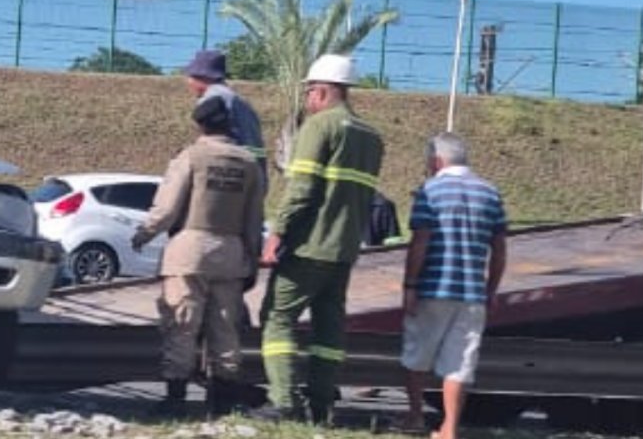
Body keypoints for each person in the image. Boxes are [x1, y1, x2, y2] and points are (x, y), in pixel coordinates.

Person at [252, 53, 385, 425]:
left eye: (310, 92)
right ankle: (322, 405)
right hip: (344, 250)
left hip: (309, 245)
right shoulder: (371, 137)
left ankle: (284, 403)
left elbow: (302, 189)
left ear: (323, 92)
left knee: (278, 317)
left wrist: (276, 233)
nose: (308, 100)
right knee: (329, 327)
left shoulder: (321, 126)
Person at [131, 96, 265, 417]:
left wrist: (143, 234)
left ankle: (175, 400)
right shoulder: (248, 164)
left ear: (199, 123)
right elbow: (254, 219)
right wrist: (252, 257)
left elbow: (166, 209)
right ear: (229, 124)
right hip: (231, 255)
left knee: (182, 325)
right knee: (226, 330)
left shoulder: (190, 158)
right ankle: (223, 404)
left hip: (188, 253)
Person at [398, 133, 509, 439]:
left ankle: (416, 415)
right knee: (459, 363)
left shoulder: (429, 190)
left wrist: (409, 285)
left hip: (433, 288)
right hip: (472, 293)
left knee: (417, 353)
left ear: (436, 161)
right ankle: (450, 428)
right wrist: (491, 289)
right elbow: (499, 248)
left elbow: (420, 241)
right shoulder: (490, 192)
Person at [183, 49, 267, 173]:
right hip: (252, 173)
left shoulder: (212, 100)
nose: (188, 82)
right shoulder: (240, 102)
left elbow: (211, 144)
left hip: (229, 171)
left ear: (202, 76)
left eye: (190, 77)